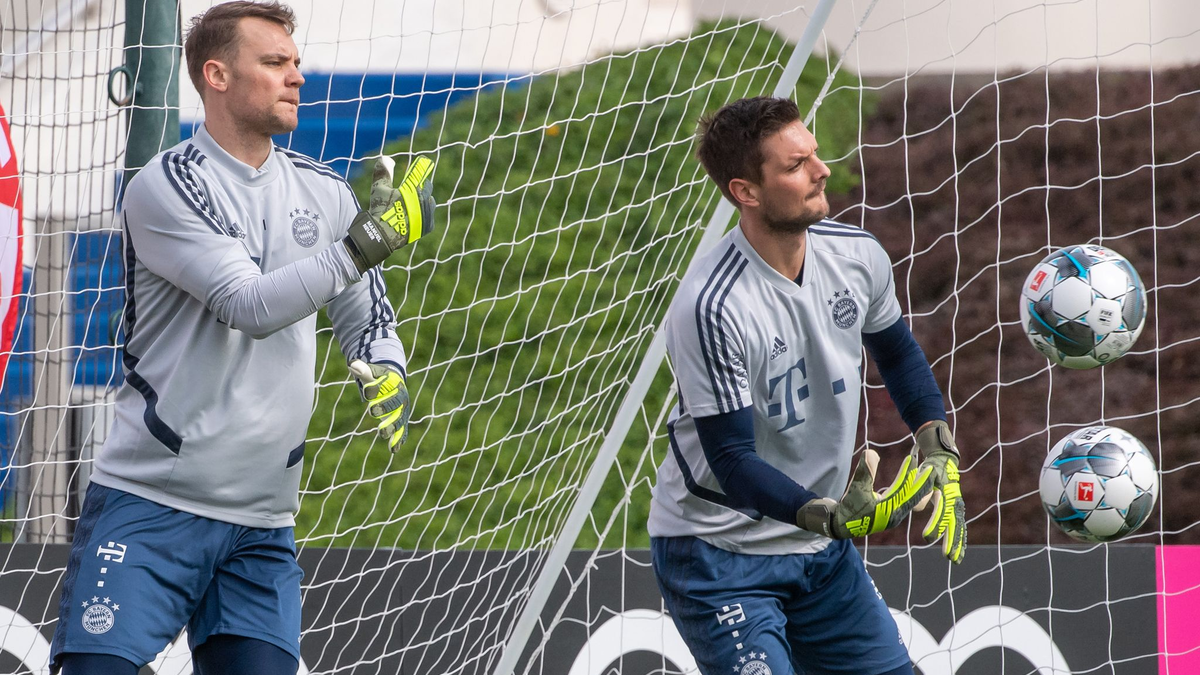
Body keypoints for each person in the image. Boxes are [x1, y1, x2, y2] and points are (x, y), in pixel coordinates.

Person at [48, 3, 434, 673]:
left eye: (297, 63)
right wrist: (366, 243)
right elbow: (246, 303)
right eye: (276, 63)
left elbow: (364, 314)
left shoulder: (324, 191)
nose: (296, 78)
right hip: (152, 507)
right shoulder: (164, 185)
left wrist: (383, 361)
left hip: (262, 523)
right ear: (217, 74)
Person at [647, 96, 967, 675]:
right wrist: (824, 514)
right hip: (720, 553)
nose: (821, 170)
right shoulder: (712, 305)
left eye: (814, 154)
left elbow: (895, 351)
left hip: (819, 551)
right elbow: (730, 458)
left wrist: (935, 440)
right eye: (796, 165)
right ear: (746, 192)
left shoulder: (858, 255)